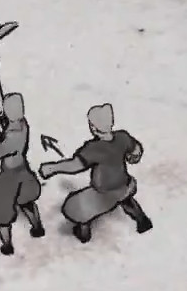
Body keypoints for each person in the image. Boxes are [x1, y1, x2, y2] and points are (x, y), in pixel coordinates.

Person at [38, 103, 153, 242]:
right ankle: (142, 220)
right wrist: (135, 156)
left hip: (103, 193)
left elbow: (75, 165)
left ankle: (83, 234)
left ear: (93, 127)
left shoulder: (93, 148)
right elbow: (136, 149)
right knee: (127, 200)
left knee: (77, 208)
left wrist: (53, 168)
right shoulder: (122, 137)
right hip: (124, 184)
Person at [0, 92, 45, 255]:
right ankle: (37, 227)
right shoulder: (23, 124)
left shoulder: (12, 136)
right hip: (23, 169)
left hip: (10, 174)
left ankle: (7, 245)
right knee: (27, 200)